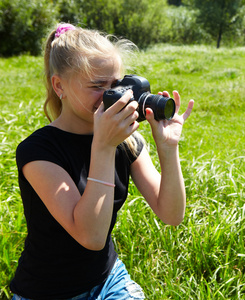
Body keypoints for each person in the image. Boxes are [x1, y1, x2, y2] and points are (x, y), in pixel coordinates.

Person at [10, 23, 194, 300]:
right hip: (46, 290)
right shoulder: (38, 151)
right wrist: (104, 146)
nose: (113, 96)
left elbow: (171, 215)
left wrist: (168, 148)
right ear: (59, 85)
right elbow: (90, 237)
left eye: (116, 85)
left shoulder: (126, 142)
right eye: (98, 86)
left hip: (108, 278)